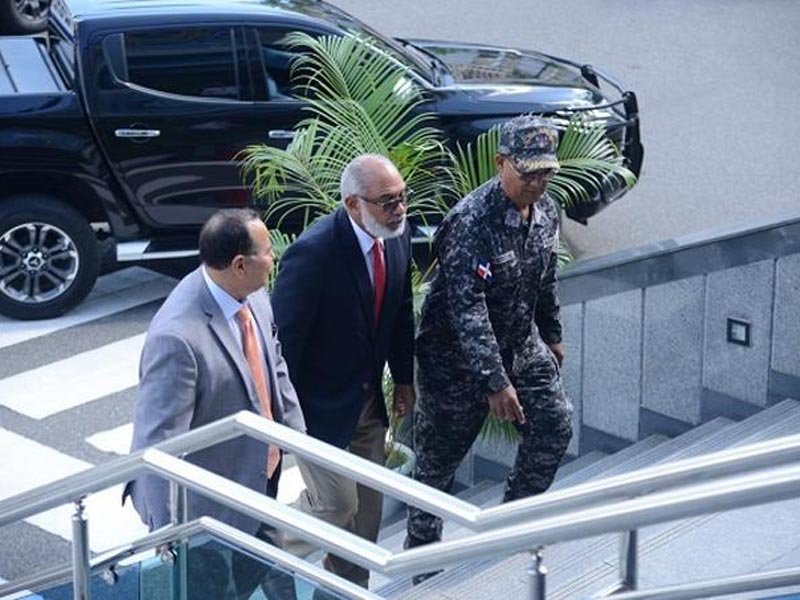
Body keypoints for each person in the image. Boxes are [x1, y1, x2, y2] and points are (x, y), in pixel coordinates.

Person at [405, 115, 574, 579]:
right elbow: (466, 308)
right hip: (455, 362)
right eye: (528, 173)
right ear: (501, 163)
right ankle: (422, 561)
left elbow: (547, 279)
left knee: (555, 426)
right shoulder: (470, 222)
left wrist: (553, 334)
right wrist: (494, 382)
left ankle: (509, 524)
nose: (538, 183)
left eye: (545, 173)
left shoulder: (547, 213)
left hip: (520, 344)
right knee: (438, 465)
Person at [125, 208, 306, 599]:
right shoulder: (177, 338)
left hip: (260, 479)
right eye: (268, 251)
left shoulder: (251, 293)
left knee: (273, 575)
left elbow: (273, 361)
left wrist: (300, 438)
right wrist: (168, 530)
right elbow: (155, 441)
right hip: (207, 514)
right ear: (240, 264)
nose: (274, 258)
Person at [271, 154, 415, 588]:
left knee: (365, 521)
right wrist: (278, 420)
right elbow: (284, 344)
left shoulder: (396, 234)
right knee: (336, 504)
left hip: (369, 403)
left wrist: (404, 379)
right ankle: (253, 546)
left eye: (403, 198)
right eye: (388, 202)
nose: (400, 209)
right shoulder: (313, 254)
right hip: (319, 409)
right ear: (354, 205)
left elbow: (400, 311)